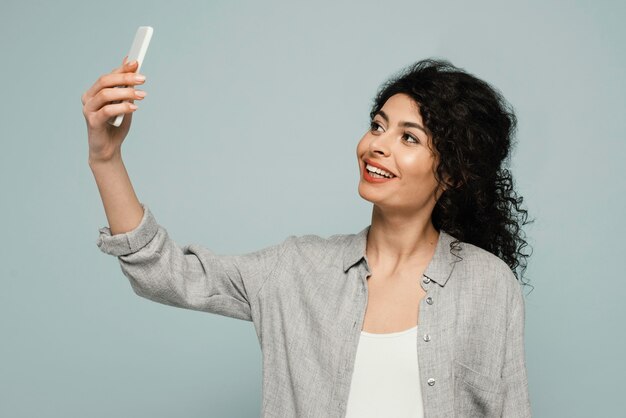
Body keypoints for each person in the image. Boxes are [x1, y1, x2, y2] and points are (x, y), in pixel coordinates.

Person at [83, 57, 532, 417]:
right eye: (378, 125)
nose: (377, 144)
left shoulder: (489, 286)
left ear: (453, 173)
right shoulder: (296, 268)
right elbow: (165, 274)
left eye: (409, 138)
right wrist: (106, 159)